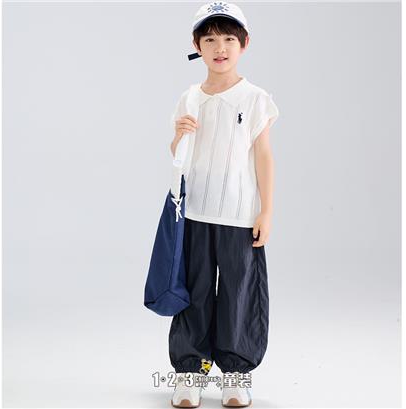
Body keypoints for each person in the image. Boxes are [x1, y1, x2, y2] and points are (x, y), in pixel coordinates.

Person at [168, 2, 279, 407]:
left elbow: (263, 156)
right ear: (197, 45)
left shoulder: (255, 98)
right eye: (211, 39)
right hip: (195, 213)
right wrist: (178, 136)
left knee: (238, 293)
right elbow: (180, 155)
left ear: (244, 44)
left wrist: (266, 210)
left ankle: (235, 374)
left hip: (239, 214)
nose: (220, 48)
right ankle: (190, 373)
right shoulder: (189, 97)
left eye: (229, 38)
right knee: (194, 293)